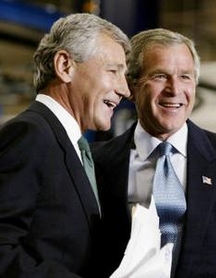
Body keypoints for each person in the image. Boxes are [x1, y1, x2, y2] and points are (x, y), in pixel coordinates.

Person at [92, 28, 216, 277]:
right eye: (161, 76)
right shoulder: (95, 163)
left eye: (185, 77)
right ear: (132, 85)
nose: (174, 89)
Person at [0, 13, 130, 277]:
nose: (125, 89)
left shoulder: (74, 148)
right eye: (113, 71)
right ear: (65, 66)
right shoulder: (29, 135)